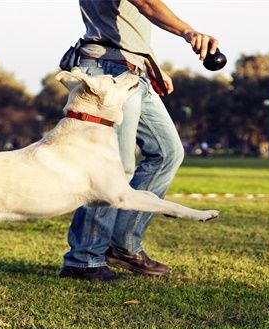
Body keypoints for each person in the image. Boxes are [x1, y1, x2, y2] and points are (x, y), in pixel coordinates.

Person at [59, 0, 219, 281]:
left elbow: (126, 24)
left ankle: (123, 246)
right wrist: (188, 32)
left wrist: (149, 63)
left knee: (167, 153)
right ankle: (84, 259)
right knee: (114, 171)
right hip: (109, 71)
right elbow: (146, 3)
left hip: (133, 70)